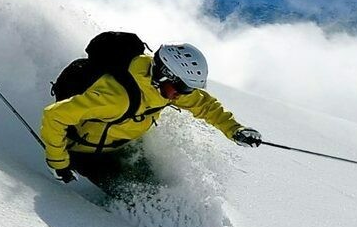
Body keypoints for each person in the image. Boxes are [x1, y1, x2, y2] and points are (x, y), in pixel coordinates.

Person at [39, 42, 261, 193]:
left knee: (165, 188)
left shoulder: (164, 89)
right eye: (182, 88)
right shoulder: (117, 97)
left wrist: (235, 130)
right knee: (138, 197)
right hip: (87, 154)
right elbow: (55, 115)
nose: (184, 95)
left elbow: (203, 104)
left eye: (188, 89)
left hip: (122, 146)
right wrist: (59, 163)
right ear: (165, 75)